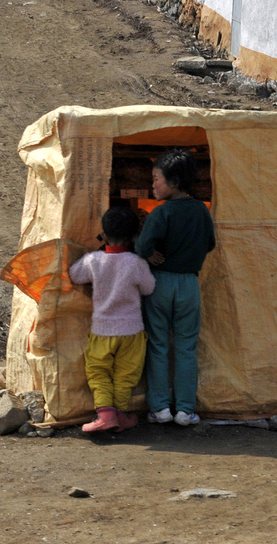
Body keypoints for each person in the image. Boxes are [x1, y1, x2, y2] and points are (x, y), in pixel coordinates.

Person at [138, 148, 216, 426]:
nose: (153, 185)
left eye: (156, 179)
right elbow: (210, 244)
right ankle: (185, 410)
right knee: (186, 347)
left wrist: (151, 255)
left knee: (158, 344)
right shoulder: (201, 210)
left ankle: (160, 408)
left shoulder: (161, 213)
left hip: (160, 283)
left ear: (173, 182)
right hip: (189, 285)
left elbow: (142, 246)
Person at [68, 206, 156, 433]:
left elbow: (74, 275)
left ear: (104, 235)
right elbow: (149, 288)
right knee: (126, 375)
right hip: (132, 331)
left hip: (102, 331)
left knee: (99, 371)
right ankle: (120, 414)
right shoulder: (136, 262)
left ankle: (105, 415)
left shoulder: (93, 260)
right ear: (135, 237)